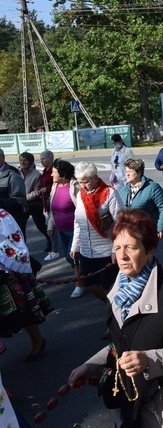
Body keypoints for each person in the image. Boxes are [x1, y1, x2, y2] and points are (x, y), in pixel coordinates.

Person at [68, 209, 163, 427]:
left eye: (131, 247)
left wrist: (149, 361)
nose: (123, 256)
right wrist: (90, 366)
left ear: (150, 250)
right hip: (130, 403)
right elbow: (122, 344)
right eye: (118, 247)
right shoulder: (118, 291)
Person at [0, 209, 52, 361]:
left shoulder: (2, 216)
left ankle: (37, 339)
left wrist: (8, 266)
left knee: (23, 308)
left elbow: (12, 242)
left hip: (6, 271)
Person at [71, 162, 122, 303]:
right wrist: (75, 246)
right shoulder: (80, 194)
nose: (82, 185)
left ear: (95, 178)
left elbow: (120, 222)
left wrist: (115, 249)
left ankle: (117, 314)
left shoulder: (110, 193)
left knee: (109, 286)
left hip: (106, 250)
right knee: (89, 285)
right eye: (80, 182)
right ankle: (112, 308)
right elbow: (78, 222)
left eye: (86, 182)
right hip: (86, 251)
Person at [47, 159, 84, 299]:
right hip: (61, 230)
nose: (51, 175)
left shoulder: (75, 187)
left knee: (73, 256)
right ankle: (82, 276)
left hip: (75, 230)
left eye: (54, 172)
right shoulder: (55, 186)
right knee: (71, 259)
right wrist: (51, 226)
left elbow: (81, 209)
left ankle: (79, 284)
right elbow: (53, 209)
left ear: (62, 174)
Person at [119, 158, 163, 237]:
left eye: (130, 171)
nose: (127, 174)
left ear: (139, 172)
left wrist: (160, 228)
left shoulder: (152, 187)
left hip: (146, 232)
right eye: (126, 172)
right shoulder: (122, 191)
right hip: (128, 234)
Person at [18, 152, 52, 251]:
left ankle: (50, 240)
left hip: (33, 204)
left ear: (31, 162)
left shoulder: (36, 174)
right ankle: (21, 248)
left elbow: (37, 192)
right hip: (21, 204)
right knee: (20, 227)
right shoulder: (17, 172)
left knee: (40, 225)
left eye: (25, 160)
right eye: (21, 160)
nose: (22, 162)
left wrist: (23, 198)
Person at [38, 150, 60, 260]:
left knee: (52, 227)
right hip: (46, 203)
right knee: (50, 226)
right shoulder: (45, 171)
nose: (41, 161)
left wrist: (45, 189)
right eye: (40, 159)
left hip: (54, 202)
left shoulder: (55, 170)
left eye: (43, 158)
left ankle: (55, 249)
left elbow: (57, 185)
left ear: (50, 158)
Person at [0, 149, 26, 231]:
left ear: (3, 157)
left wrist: (1, 202)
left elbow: (20, 200)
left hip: (10, 222)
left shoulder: (13, 174)